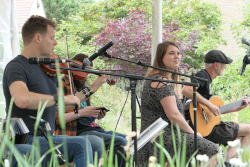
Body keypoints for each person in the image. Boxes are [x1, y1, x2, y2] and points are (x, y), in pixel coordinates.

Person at [3, 15, 94, 167]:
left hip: (46, 138)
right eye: (52, 37)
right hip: (27, 138)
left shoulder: (49, 69)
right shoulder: (16, 66)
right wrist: (59, 98)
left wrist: (92, 89)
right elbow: (21, 99)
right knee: (81, 145)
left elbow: (60, 106)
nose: (55, 42)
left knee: (94, 144)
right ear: (38, 38)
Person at [138, 41, 219, 166]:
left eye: (178, 53)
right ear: (161, 57)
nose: (177, 56)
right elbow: (174, 115)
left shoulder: (158, 79)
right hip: (160, 137)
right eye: (172, 53)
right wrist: (193, 133)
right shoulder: (160, 81)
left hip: (165, 134)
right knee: (213, 150)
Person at [55, 53, 127, 167]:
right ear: (73, 69)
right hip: (75, 133)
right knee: (120, 142)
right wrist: (82, 112)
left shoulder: (83, 85)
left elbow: (84, 113)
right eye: (85, 72)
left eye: (89, 72)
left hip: (91, 128)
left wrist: (94, 114)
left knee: (128, 139)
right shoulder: (61, 84)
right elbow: (57, 118)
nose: (87, 76)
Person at [182, 50, 250, 165]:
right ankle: (233, 163)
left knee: (239, 137)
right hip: (202, 128)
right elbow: (187, 90)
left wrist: (236, 108)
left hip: (207, 125)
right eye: (224, 64)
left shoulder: (208, 80)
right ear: (216, 65)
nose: (225, 67)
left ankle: (228, 163)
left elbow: (213, 110)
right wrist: (209, 104)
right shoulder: (203, 75)